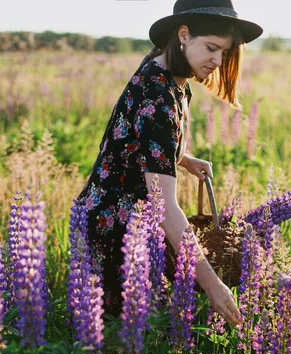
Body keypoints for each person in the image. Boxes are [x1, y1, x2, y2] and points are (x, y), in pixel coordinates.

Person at [76, 0, 263, 326]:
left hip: (124, 219)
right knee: (118, 339)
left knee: (132, 334)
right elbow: (164, 207)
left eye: (224, 52)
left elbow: (141, 136)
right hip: (114, 228)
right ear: (183, 34)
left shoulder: (166, 73)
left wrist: (182, 158)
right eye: (211, 48)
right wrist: (213, 285)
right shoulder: (158, 93)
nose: (218, 61)